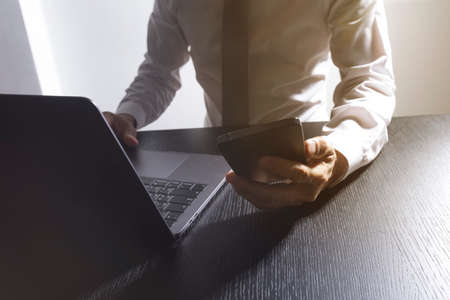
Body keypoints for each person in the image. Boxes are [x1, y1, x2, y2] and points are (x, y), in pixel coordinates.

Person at [103, 0, 396, 209]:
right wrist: (127, 114)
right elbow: (159, 70)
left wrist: (340, 154)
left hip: (304, 159)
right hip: (215, 160)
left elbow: (370, 79)